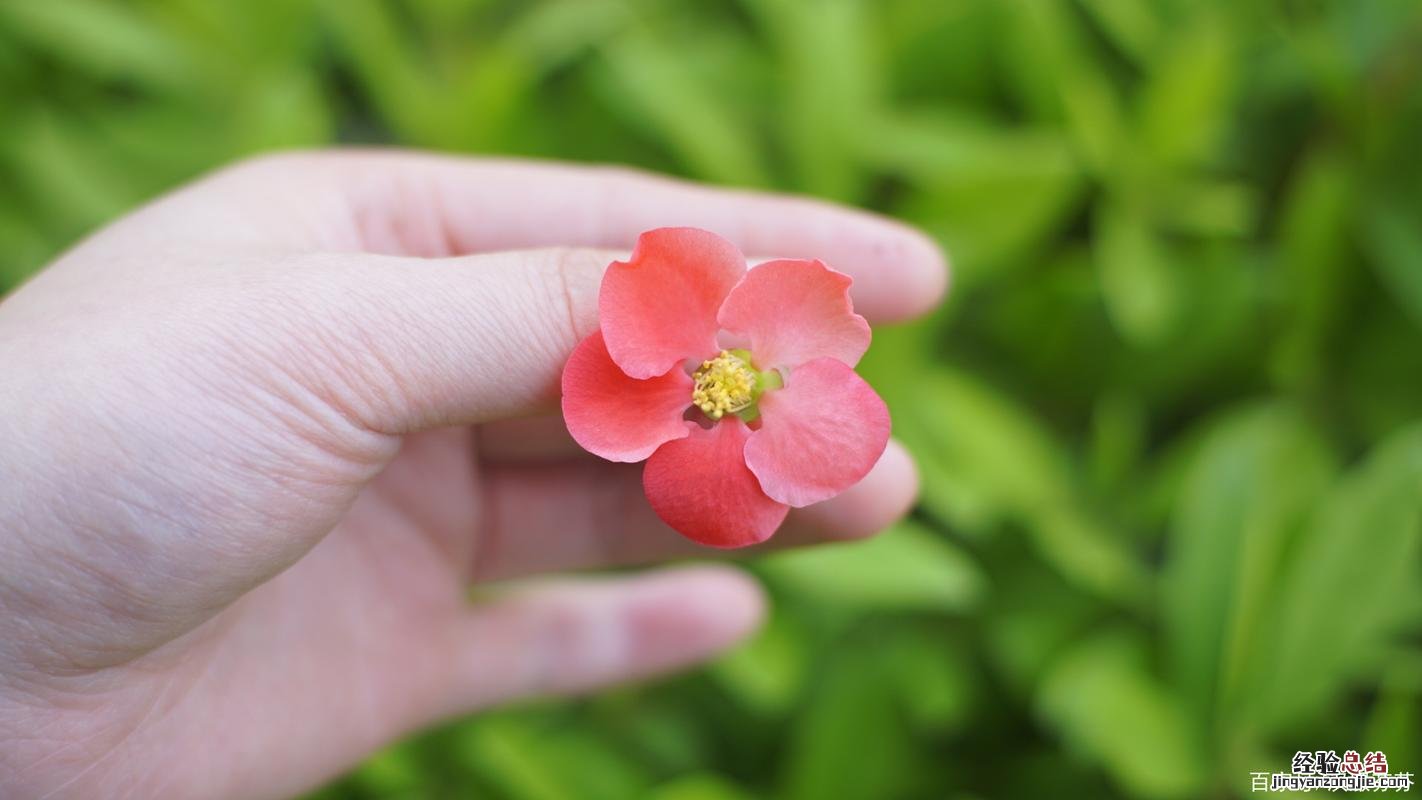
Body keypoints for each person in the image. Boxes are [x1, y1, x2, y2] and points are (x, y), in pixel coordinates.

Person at [0, 151, 947, 799]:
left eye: (730, 384)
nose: (722, 384)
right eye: (716, 380)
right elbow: (605, 387)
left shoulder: (781, 364)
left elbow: (807, 335)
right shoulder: (675, 359)